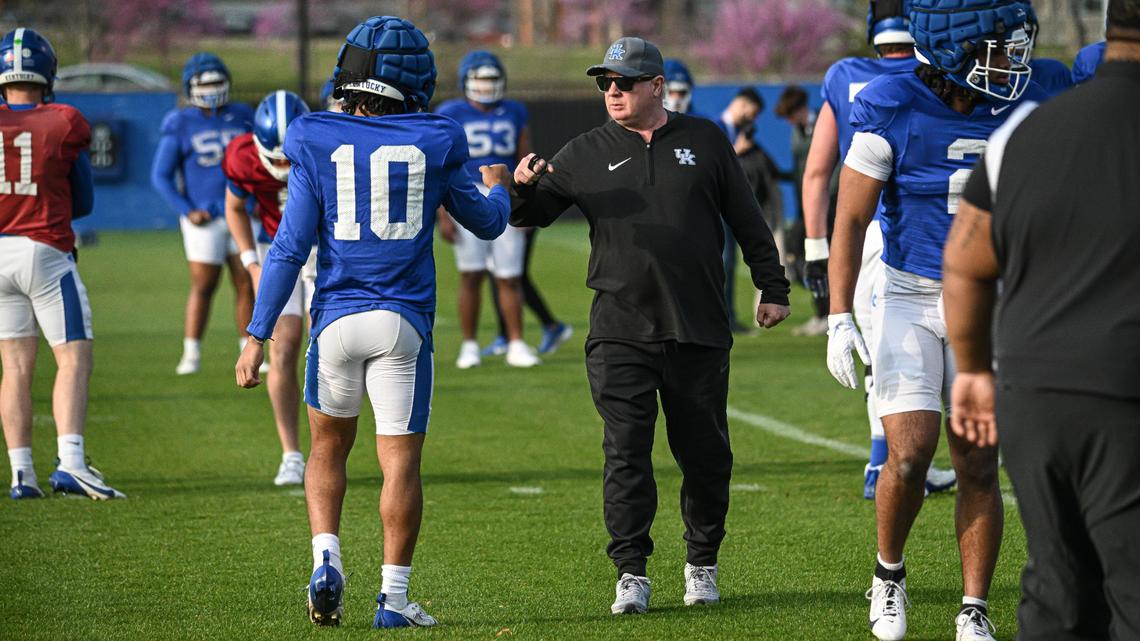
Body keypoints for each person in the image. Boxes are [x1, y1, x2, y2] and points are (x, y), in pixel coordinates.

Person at [234, 15, 511, 628]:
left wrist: (257, 334)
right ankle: (393, 597)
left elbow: (288, 249)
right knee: (400, 463)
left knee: (327, 448)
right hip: (402, 324)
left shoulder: (313, 137)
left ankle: (326, 557)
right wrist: (500, 188)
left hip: (334, 320)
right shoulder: (439, 138)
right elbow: (488, 224)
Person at [510, 36, 790, 615]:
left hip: (698, 327)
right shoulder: (584, 150)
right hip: (619, 329)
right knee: (625, 453)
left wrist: (774, 284)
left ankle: (702, 563)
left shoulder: (706, 140)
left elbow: (747, 217)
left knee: (706, 455)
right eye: (604, 83)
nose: (612, 92)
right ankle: (631, 572)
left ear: (656, 86)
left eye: (625, 82)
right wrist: (519, 186)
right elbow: (530, 216)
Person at [825, 0, 1047, 638]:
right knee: (911, 452)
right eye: (999, 47)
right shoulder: (891, 104)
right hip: (910, 295)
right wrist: (840, 314)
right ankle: (888, 575)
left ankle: (973, 608)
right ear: (956, 48)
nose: (1011, 60)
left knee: (978, 460)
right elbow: (850, 219)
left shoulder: (1020, 105)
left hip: (990, 302)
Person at [945, 0, 1140, 636]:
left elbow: (966, 262)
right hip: (1124, 390)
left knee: (1058, 588)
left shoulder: (1021, 133)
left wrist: (972, 369)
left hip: (1032, 392)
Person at [801, 0, 956, 500]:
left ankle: (884, 458)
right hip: (933, 226)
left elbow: (818, 171)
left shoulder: (848, 73)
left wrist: (815, 250)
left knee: (881, 346)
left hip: (867, 224)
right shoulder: (948, 73)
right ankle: (891, 459)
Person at [0, 27, 124, 500]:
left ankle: (20, 474)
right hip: (44, 250)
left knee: (14, 366)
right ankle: (71, 462)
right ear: (47, 70)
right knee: (72, 357)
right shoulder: (65, 119)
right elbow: (84, 200)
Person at [222, 90, 310, 486]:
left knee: (332, 345)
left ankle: (334, 449)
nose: (282, 168)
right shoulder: (241, 156)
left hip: (331, 248)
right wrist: (250, 262)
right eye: (274, 159)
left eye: (289, 159)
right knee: (285, 344)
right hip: (277, 249)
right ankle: (291, 453)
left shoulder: (326, 143)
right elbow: (234, 207)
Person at [151, 53, 256, 375]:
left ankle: (248, 347)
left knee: (246, 282)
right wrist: (187, 210)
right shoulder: (181, 122)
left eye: (217, 82)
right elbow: (161, 175)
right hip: (205, 218)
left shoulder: (243, 115)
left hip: (242, 211)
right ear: (191, 87)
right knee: (203, 285)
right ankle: (191, 353)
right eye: (205, 83)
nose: (212, 89)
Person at [435, 51, 540, 369]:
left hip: (505, 192)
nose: (486, 85)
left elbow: (525, 161)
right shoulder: (450, 111)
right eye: (480, 79)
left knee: (510, 275)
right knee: (471, 273)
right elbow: (442, 163)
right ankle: (469, 345)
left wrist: (527, 205)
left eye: (492, 79)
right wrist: (443, 213)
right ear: (466, 81)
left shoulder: (514, 111)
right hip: (466, 193)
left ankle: (516, 342)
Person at [716, 87, 766, 334]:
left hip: (733, 208)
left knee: (731, 263)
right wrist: (738, 150)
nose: (752, 118)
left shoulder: (742, 131)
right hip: (716, 209)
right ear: (742, 104)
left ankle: (729, 317)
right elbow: (712, 166)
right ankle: (721, 317)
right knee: (721, 263)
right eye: (752, 112)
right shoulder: (713, 128)